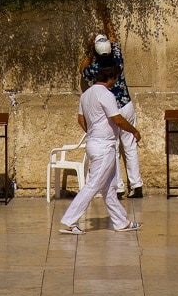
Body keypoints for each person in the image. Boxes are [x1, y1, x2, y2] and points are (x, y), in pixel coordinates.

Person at [59, 64, 140, 234]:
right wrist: (134, 131)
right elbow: (117, 119)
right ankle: (70, 221)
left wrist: (94, 133)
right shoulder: (106, 94)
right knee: (93, 185)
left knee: (109, 188)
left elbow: (81, 120)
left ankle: (120, 222)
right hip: (104, 147)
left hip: (95, 143)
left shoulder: (86, 95)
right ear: (112, 78)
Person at [78, 23, 142, 198]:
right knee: (129, 146)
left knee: (113, 147)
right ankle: (136, 185)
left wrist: (89, 52)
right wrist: (106, 15)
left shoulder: (95, 70)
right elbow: (113, 38)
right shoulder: (118, 60)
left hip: (111, 109)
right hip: (126, 105)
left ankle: (118, 187)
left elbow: (81, 70)